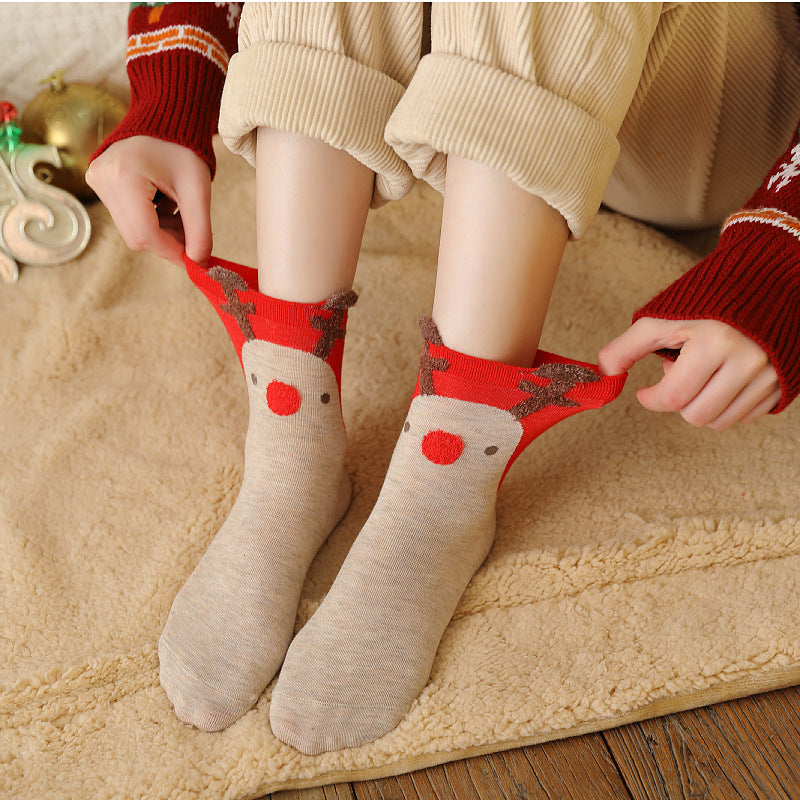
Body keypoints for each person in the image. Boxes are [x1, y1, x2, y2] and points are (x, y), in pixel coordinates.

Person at [86, 3, 800, 754]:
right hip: (459, 80)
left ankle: (441, 493)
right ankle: (290, 452)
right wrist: (175, 79)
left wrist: (782, 255)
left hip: (707, 103)